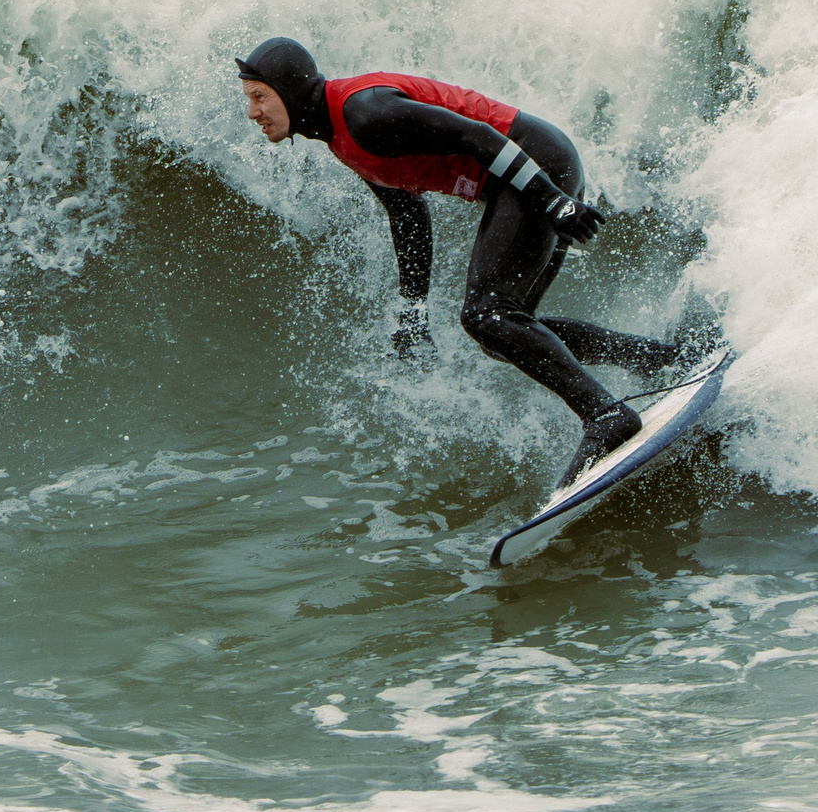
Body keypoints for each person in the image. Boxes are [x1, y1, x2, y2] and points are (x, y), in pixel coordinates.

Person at [235, 37, 685, 486]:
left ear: (291, 91)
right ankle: (659, 359)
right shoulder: (342, 136)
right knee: (504, 330)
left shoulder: (365, 112)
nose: (253, 112)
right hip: (529, 174)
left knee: (487, 314)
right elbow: (407, 215)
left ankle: (607, 415)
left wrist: (553, 201)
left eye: (260, 96)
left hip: (534, 166)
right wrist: (413, 312)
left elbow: (477, 134)